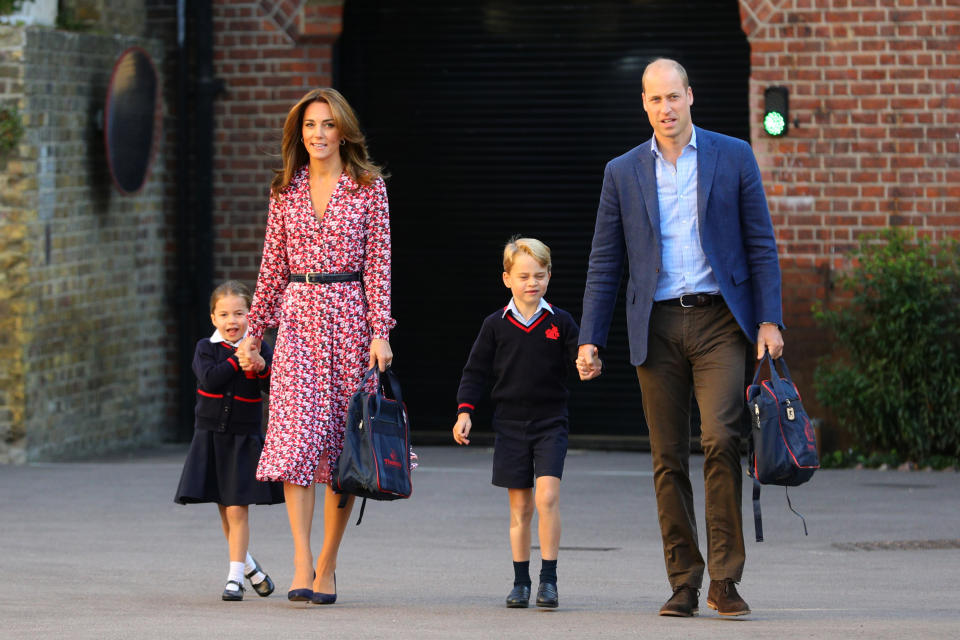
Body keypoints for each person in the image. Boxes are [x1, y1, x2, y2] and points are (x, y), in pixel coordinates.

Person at [577, 58, 784, 618]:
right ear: (643, 105)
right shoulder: (622, 172)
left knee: (721, 440)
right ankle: (684, 580)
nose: (665, 109)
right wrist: (589, 337)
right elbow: (605, 261)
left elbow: (760, 243)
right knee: (667, 457)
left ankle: (725, 578)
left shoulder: (733, 155)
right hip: (657, 325)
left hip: (721, 321)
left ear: (690, 96)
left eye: (673, 97)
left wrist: (770, 320)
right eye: (654, 100)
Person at [236, 88, 395, 606]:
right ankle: (302, 561)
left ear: (343, 131)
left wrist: (380, 331)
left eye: (328, 125)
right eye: (310, 125)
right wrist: (252, 332)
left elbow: (379, 267)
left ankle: (328, 561)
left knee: (341, 450)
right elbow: (271, 268)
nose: (318, 134)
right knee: (295, 443)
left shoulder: (368, 189)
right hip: (299, 322)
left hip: (350, 319)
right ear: (298, 133)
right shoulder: (284, 190)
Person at [453, 237, 588, 609]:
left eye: (540, 276)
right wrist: (465, 412)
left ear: (548, 278)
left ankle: (549, 580)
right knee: (521, 509)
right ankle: (520, 582)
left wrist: (588, 363)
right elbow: (475, 371)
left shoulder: (560, 322)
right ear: (507, 279)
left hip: (550, 422)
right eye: (524, 275)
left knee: (547, 497)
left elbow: (581, 357)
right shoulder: (495, 325)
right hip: (510, 425)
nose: (532, 282)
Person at [174, 280, 284, 601]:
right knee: (225, 509)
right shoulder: (204, 349)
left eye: (239, 313)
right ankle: (251, 568)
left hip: (243, 437)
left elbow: (273, 386)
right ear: (213, 318)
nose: (232, 321)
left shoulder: (260, 347)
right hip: (211, 435)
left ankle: (234, 578)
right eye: (224, 314)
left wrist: (262, 366)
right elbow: (210, 378)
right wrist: (238, 359)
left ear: (251, 315)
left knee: (237, 508)